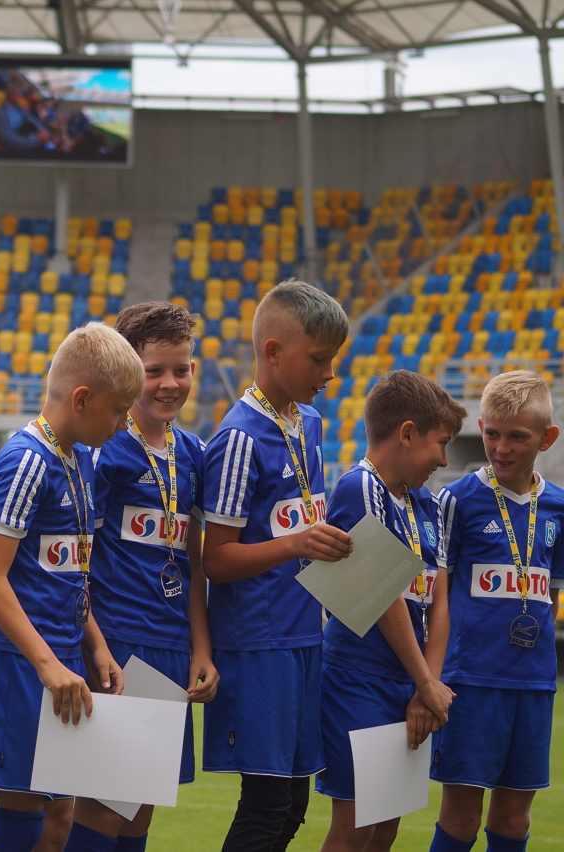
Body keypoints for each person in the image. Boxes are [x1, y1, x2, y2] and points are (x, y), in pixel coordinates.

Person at [0, 322, 144, 852]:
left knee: (59, 817)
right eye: (118, 410)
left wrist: (95, 645)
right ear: (83, 399)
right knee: (23, 819)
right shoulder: (25, 462)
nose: (123, 422)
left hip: (62, 656)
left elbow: (70, 574)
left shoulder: (80, 459)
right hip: (22, 662)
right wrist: (46, 662)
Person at [200, 279, 352, 852]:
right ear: (272, 352)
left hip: (303, 638)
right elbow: (216, 559)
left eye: (332, 359)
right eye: (319, 359)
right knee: (266, 807)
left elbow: (299, 527)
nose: (329, 373)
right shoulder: (239, 439)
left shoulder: (308, 424)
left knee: (292, 807)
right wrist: (297, 545)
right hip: (258, 645)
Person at [66, 302, 218, 852]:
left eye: (181, 369)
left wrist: (201, 648)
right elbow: (79, 559)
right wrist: (96, 643)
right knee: (104, 810)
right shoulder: (106, 452)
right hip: (118, 645)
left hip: (172, 647)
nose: (169, 383)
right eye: (154, 371)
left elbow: (196, 563)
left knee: (139, 816)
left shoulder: (195, 455)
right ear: (130, 371)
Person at [317, 371, 465, 851]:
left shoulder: (430, 503)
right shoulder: (359, 488)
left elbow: (438, 600)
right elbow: (383, 596)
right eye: (440, 444)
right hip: (358, 677)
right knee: (356, 825)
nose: (444, 459)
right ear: (406, 433)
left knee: (387, 826)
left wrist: (428, 688)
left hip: (411, 681)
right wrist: (425, 682)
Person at [429, 370, 563, 852]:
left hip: (533, 681)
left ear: (547, 438)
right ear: (481, 426)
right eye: (491, 434)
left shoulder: (557, 508)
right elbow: (436, 593)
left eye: (517, 437)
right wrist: (432, 675)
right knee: (461, 819)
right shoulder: (457, 500)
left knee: (513, 819)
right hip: (470, 681)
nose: (501, 448)